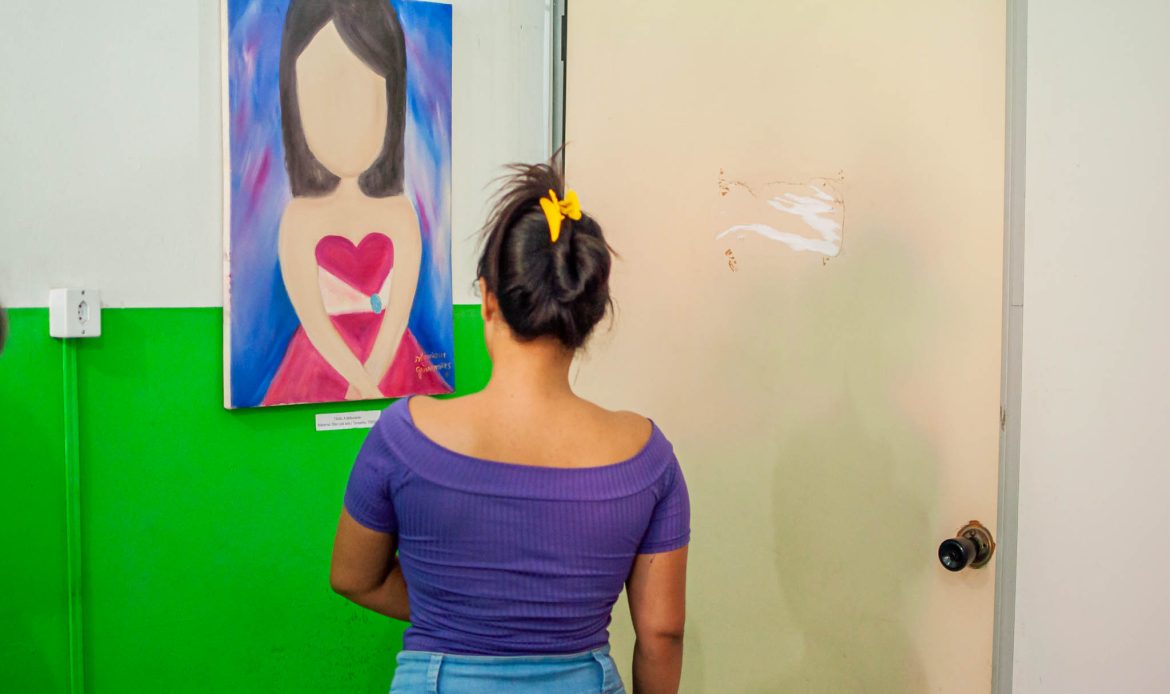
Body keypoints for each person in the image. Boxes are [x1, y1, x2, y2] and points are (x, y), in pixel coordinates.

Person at [330, 161, 691, 694]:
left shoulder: (402, 437)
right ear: (591, 314)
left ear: (488, 298)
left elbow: (353, 577)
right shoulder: (647, 457)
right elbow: (662, 631)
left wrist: (455, 610)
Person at [262, 0, 447, 405]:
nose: (342, 123)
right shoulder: (299, 219)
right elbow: (314, 321)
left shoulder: (400, 214)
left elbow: (397, 318)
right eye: (320, 98)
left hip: (393, 364)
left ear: (391, 98)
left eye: (362, 96)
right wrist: (357, 379)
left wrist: (371, 379)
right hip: (320, 371)